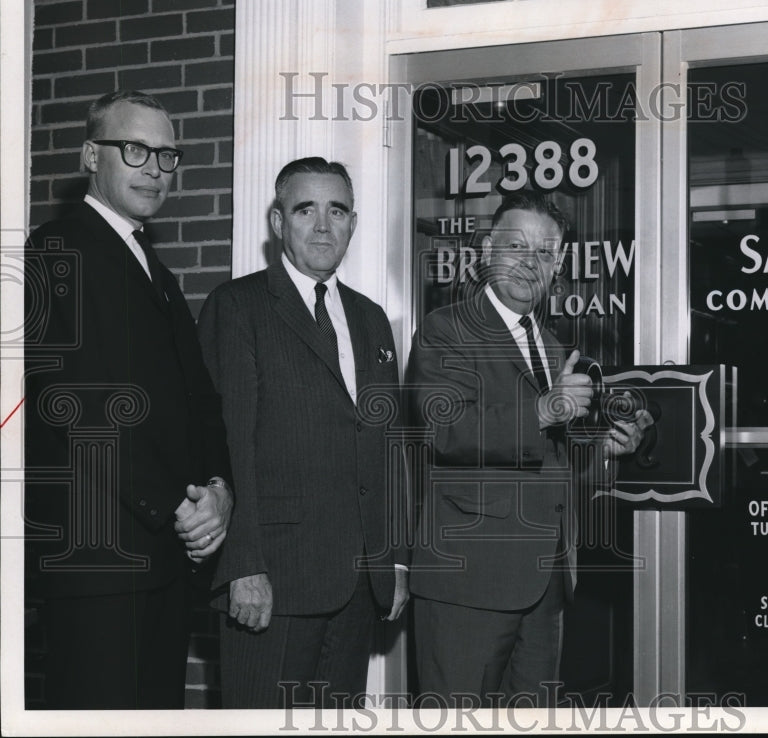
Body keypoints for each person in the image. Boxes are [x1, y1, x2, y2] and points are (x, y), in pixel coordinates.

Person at [24, 90, 234, 709]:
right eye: (136, 149)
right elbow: (81, 403)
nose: (155, 168)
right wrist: (179, 506)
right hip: (99, 565)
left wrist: (218, 490)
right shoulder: (57, 249)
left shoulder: (156, 270)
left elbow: (201, 401)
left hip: (165, 559)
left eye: (168, 155)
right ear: (93, 155)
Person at [406, 192, 652, 707]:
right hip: (468, 586)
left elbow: (554, 462)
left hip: (545, 587)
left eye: (544, 253)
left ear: (557, 266)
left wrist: (608, 448)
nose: (528, 262)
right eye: (515, 246)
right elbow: (441, 430)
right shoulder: (444, 328)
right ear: (486, 249)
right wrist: (544, 410)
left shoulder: (552, 345)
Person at [197, 157, 408, 709]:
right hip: (273, 584)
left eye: (336, 211)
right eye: (305, 209)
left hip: (358, 585)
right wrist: (242, 566)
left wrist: (396, 561)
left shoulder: (371, 319)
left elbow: (388, 449)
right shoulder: (238, 307)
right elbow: (224, 444)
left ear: (353, 224)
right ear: (277, 221)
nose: (322, 226)